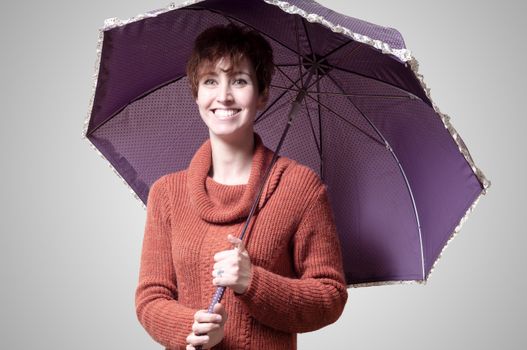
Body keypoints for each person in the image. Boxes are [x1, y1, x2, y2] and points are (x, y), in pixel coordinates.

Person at [135, 24, 348, 350]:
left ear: (262, 95)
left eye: (239, 81)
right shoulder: (167, 193)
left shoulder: (300, 188)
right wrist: (191, 327)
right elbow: (151, 297)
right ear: (196, 94)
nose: (223, 96)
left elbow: (330, 295)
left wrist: (253, 282)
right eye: (210, 81)